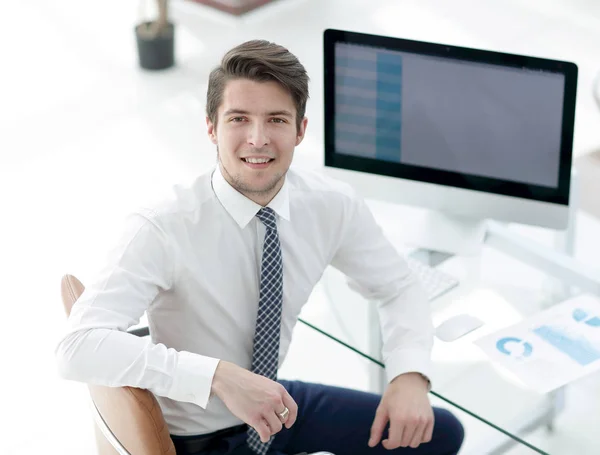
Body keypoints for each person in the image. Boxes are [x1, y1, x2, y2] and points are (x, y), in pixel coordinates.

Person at [55, 40, 464, 455]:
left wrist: (409, 375)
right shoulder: (163, 227)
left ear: (300, 130)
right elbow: (75, 347)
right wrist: (218, 376)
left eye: (276, 120)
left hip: (274, 407)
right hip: (200, 436)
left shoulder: (331, 205)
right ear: (211, 127)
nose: (257, 138)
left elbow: (399, 286)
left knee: (440, 433)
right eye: (238, 119)